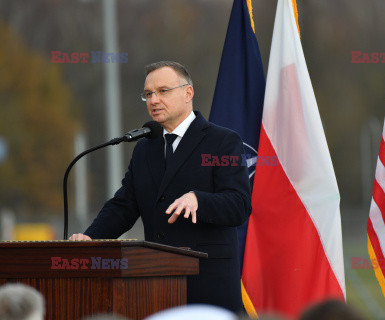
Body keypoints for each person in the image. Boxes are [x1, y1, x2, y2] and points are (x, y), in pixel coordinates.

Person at [69, 61, 252, 313]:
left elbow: (239, 205)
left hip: (208, 284)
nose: (153, 99)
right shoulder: (145, 147)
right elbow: (125, 205)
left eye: (163, 91)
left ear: (188, 93)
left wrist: (200, 200)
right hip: (158, 283)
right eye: (148, 94)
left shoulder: (222, 141)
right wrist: (91, 238)